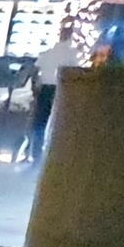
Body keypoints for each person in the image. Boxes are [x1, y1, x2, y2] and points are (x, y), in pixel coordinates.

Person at [23, 31, 80, 165]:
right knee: (59, 123)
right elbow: (74, 72)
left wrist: (35, 88)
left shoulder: (47, 53)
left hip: (45, 89)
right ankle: (54, 156)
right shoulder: (71, 54)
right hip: (62, 89)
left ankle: (36, 155)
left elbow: (35, 72)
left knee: (40, 123)